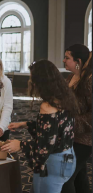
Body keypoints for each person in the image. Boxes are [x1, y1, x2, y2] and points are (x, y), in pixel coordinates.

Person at [1, 60, 79, 193]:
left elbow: (43, 147)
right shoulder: (64, 98)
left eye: (33, 79)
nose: (31, 82)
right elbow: (52, 129)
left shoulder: (47, 106)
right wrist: (25, 124)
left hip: (52, 164)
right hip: (69, 157)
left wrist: (19, 145)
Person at [61, 44, 92, 193]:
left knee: (66, 178)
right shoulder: (70, 77)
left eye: (67, 58)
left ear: (78, 61)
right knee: (80, 178)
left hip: (84, 140)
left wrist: (71, 123)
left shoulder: (89, 81)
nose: (63, 60)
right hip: (70, 137)